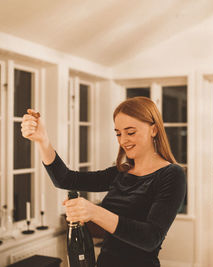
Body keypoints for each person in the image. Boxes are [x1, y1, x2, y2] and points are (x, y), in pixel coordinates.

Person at [21, 96, 186, 267]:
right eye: (118, 133)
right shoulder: (120, 172)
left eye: (130, 132)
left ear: (154, 130)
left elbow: (150, 238)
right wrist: (43, 140)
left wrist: (94, 212)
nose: (123, 140)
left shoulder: (171, 174)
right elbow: (65, 179)